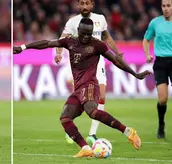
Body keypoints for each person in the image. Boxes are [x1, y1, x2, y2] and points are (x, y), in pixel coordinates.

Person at [14, 18, 151, 157]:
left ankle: (128, 131)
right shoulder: (70, 41)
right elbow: (47, 43)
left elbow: (115, 59)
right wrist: (23, 47)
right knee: (65, 118)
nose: (86, 37)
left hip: (90, 85)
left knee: (91, 111)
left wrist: (134, 73)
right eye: (84, 33)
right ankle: (85, 147)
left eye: (89, 33)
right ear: (78, 30)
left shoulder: (97, 45)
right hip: (78, 89)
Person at [54, 0, 123, 145]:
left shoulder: (100, 19)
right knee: (81, 100)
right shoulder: (73, 22)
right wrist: (59, 53)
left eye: (87, 3)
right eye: (82, 3)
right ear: (78, 5)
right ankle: (71, 128)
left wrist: (117, 53)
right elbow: (62, 39)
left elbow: (107, 38)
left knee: (102, 97)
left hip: (98, 62)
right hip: (80, 65)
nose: (84, 6)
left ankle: (92, 134)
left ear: (92, 4)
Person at [142, 0, 172, 139]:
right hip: (160, 62)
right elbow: (146, 40)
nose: (166, 9)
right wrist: (147, 54)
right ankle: (161, 125)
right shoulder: (155, 23)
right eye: (164, 6)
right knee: (163, 99)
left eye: (169, 6)